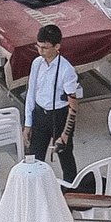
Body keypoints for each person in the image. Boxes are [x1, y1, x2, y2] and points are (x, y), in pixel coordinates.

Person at [25, 21, 82, 179]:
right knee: (34, 159)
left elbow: (73, 104)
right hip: (40, 115)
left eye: (45, 47)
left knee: (66, 157)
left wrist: (65, 133)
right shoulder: (37, 64)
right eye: (38, 47)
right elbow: (31, 93)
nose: (40, 51)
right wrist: (28, 123)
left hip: (59, 116)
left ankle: (71, 190)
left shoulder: (66, 69)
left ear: (57, 47)